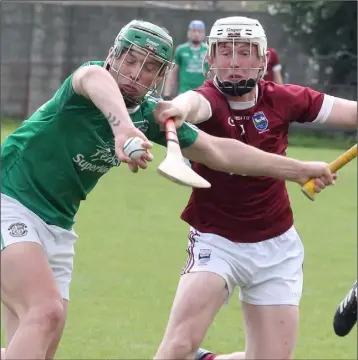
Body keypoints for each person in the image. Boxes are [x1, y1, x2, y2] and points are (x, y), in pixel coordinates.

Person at [0, 19, 336, 360]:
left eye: (149, 68)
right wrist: (123, 130)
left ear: (159, 76)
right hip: (9, 201)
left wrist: (296, 170)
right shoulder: (88, 82)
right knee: (45, 313)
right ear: (112, 55)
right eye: (130, 60)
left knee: (37, 345)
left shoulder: (150, 116)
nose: (135, 72)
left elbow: (220, 151)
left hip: (57, 225)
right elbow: (95, 80)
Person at [153, 16, 357, 360]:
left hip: (277, 248)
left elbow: (352, 114)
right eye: (225, 52)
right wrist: (177, 107)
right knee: (175, 349)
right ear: (210, 59)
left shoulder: (284, 99)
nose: (234, 62)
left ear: (263, 60)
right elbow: (193, 103)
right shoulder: (209, 101)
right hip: (216, 241)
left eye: (245, 52)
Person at [163, 20, 208, 99]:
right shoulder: (181, 50)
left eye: (200, 31)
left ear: (204, 34)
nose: (196, 34)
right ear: (189, 32)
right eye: (194, 31)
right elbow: (173, 72)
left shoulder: (208, 50)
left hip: (204, 94)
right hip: (184, 94)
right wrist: (167, 93)